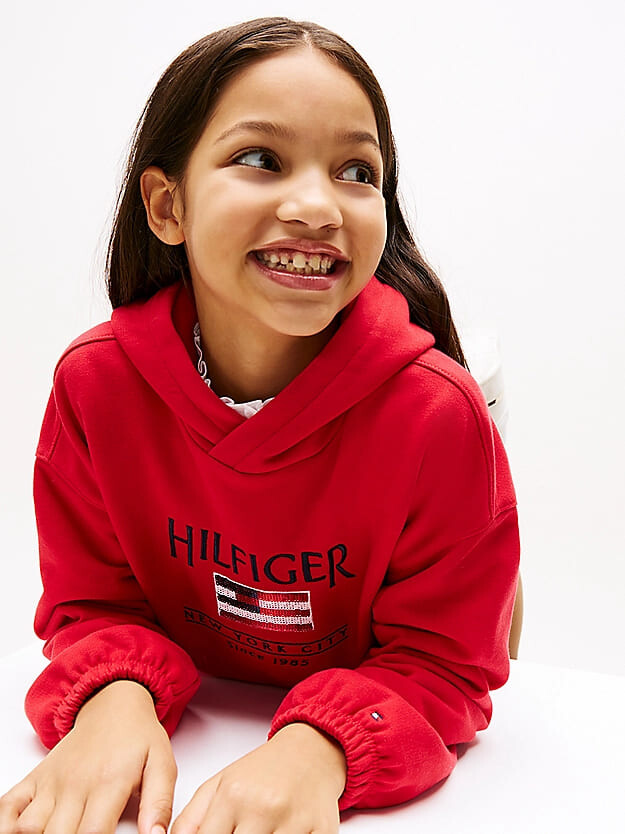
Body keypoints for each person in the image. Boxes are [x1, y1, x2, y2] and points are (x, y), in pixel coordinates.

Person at [0, 16, 520, 834]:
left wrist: (322, 748)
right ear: (166, 205)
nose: (316, 204)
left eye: (356, 171)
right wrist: (111, 700)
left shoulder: (437, 413)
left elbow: (444, 661)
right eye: (259, 159)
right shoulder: (94, 386)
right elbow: (93, 603)